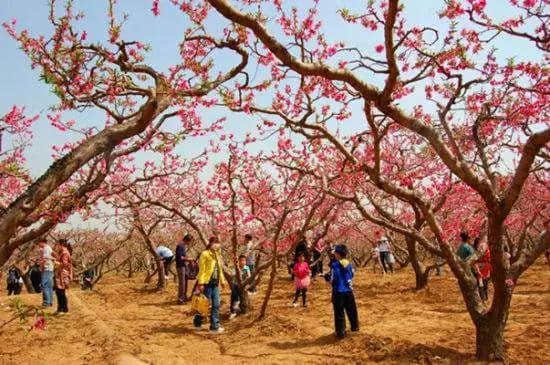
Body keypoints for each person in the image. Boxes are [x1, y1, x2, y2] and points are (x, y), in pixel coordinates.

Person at [324, 244, 359, 339]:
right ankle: (355, 328)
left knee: (339, 312)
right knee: (352, 310)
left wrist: (326, 278)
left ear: (338, 254)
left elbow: (333, 279)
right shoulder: (349, 264)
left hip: (338, 291)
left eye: (335, 252)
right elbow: (351, 275)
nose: (334, 254)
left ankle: (340, 332)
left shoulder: (335, 265)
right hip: (348, 290)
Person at [195, 236, 227, 334]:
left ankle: (214, 327)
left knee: (216, 305)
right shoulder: (205, 254)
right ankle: (197, 322)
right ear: (210, 243)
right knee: (204, 305)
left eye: (218, 243)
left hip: (215, 284)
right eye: (215, 243)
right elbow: (202, 269)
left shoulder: (217, 254)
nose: (217, 245)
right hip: (206, 283)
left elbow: (219, 269)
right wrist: (200, 283)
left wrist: (222, 281)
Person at [54, 239, 73, 314]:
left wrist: (56, 262)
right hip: (60, 274)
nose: (57, 247)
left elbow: (65, 264)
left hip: (63, 274)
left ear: (61, 245)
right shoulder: (62, 252)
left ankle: (64, 309)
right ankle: (60, 308)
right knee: (58, 291)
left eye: (58, 245)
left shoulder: (65, 253)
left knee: (61, 292)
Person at [229, 255, 251, 320]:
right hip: (236, 285)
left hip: (243, 285)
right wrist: (237, 272)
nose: (242, 262)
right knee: (234, 296)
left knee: (243, 297)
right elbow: (232, 275)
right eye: (241, 260)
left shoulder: (247, 268)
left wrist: (247, 283)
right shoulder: (236, 267)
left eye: (244, 260)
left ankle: (243, 309)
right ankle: (233, 311)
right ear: (238, 261)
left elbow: (249, 276)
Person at [176, 234, 194, 304]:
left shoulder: (183, 246)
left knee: (185, 281)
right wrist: (189, 259)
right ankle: (180, 299)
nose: (190, 243)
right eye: (190, 241)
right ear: (187, 240)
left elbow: (183, 256)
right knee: (182, 283)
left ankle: (184, 297)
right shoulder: (180, 246)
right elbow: (180, 257)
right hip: (180, 267)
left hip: (184, 266)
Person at [38, 238, 55, 308]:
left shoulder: (45, 248)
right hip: (50, 269)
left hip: (46, 269)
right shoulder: (49, 248)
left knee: (44, 285)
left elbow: (45, 259)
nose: (38, 245)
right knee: (49, 286)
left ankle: (46, 302)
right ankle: (50, 302)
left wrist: (41, 265)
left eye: (39, 243)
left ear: (42, 242)